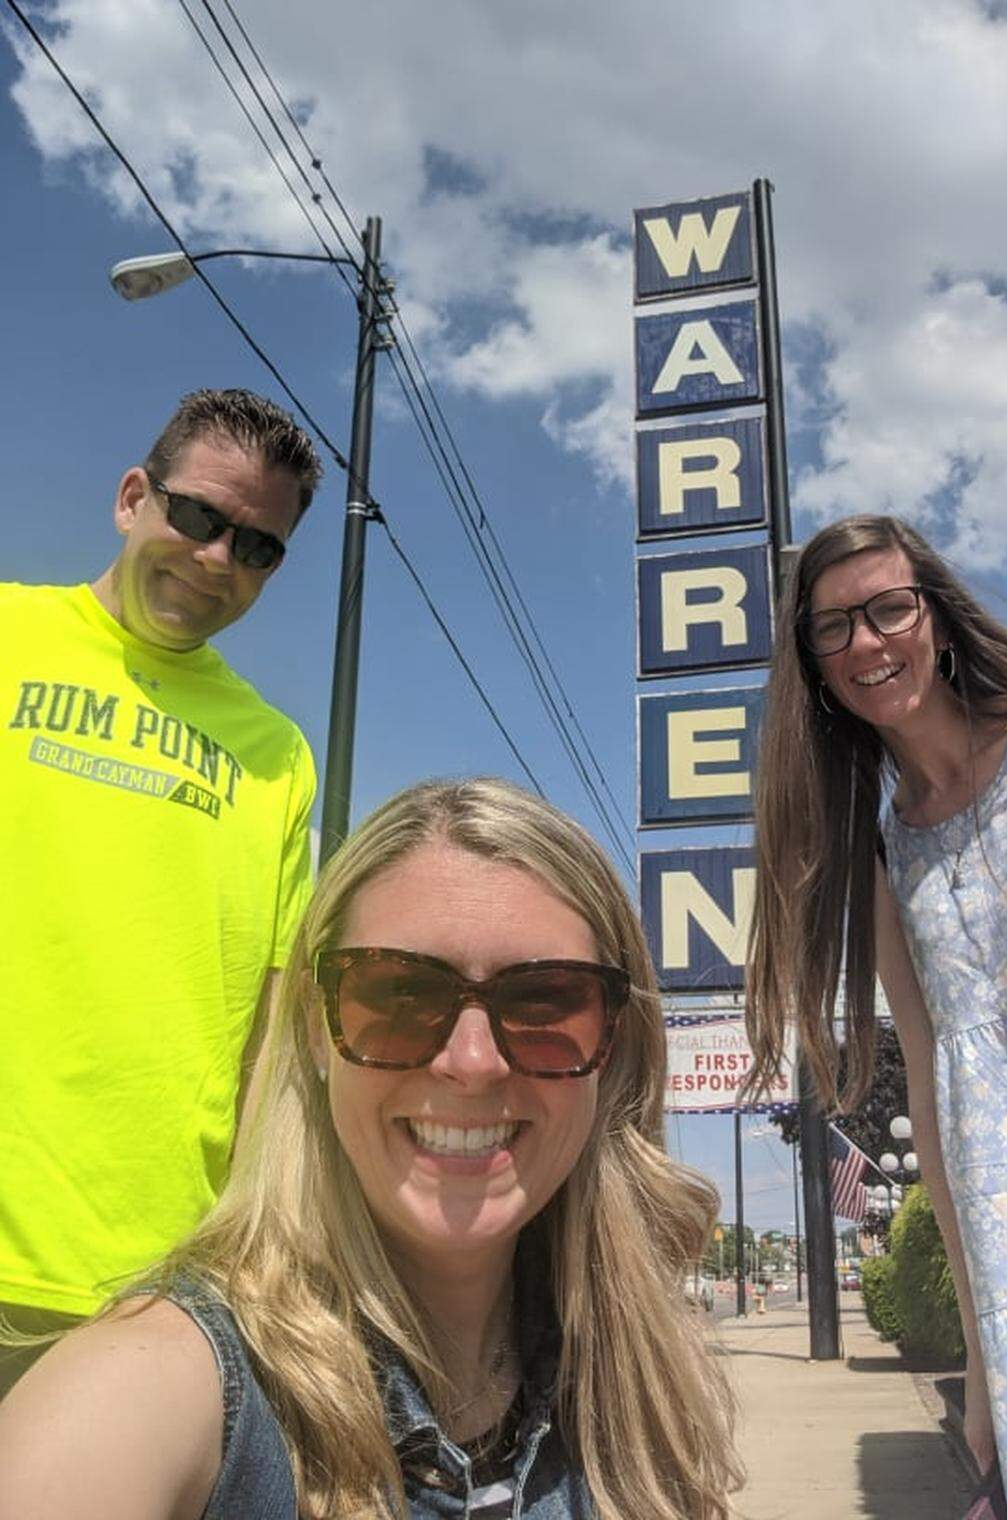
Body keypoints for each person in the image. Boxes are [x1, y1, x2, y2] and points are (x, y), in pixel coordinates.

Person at [0, 777, 740, 1518]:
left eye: (545, 1002)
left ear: (613, 1046)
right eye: (397, 996)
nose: (472, 1061)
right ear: (318, 1030)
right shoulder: (155, 1388)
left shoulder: (639, 1389)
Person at [745, 515, 1007, 1520]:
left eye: (888, 608)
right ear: (816, 667)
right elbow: (928, 1081)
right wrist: (979, 1348)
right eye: (834, 628)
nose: (868, 643)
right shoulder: (885, 859)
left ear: (937, 614)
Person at [0, 390, 320, 1387]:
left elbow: (276, 1034)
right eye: (198, 517)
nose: (220, 558)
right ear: (133, 496)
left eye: (259, 546)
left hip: (161, 1287)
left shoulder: (276, 757)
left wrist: (262, 1251)